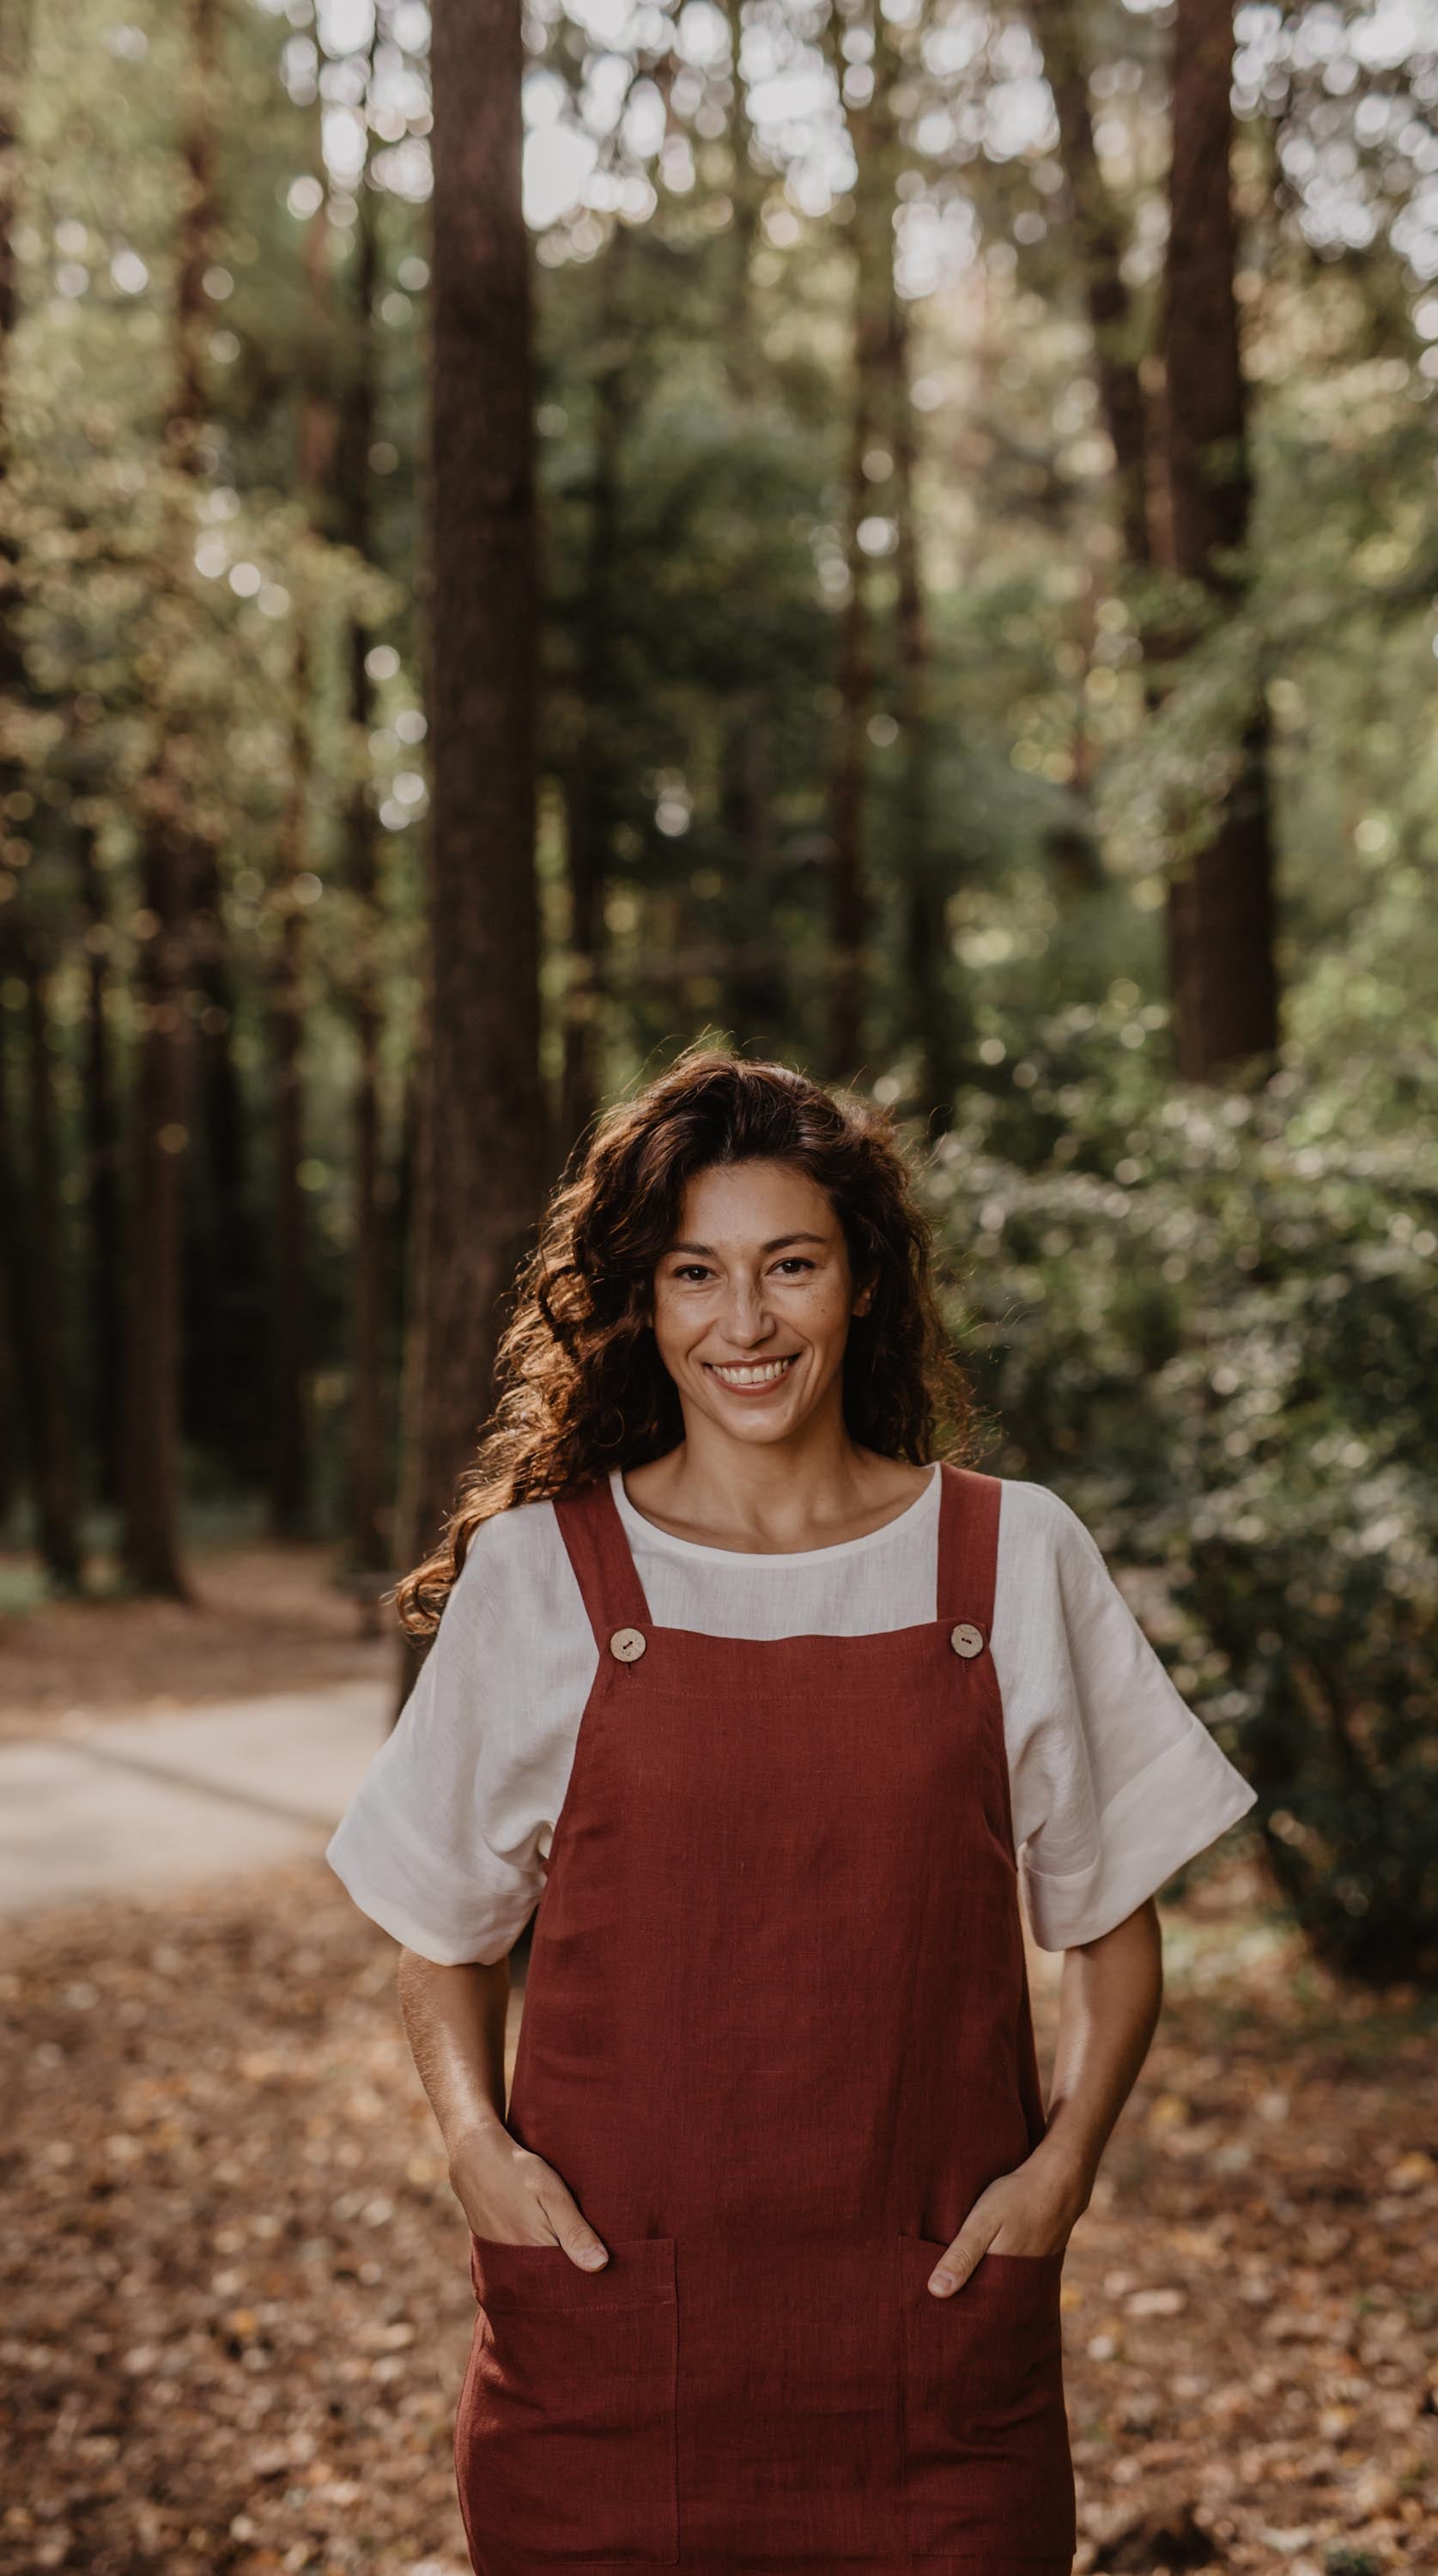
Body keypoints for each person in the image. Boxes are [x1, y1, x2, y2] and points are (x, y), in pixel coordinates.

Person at [326, 1047, 1255, 2575]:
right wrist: (473, 2146)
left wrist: (1063, 2171)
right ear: (643, 1300)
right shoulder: (544, 1575)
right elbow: (440, 1929)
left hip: (937, 2365)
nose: (744, 1323)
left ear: (865, 1282)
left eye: (791, 1267)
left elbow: (1109, 1927)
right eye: (695, 1273)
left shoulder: (1010, 1560)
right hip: (610, 2360)